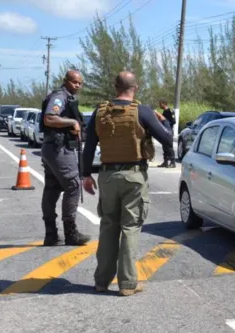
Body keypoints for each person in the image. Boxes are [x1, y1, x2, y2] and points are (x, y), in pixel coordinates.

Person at [81, 71, 173, 296]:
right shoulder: (142, 111)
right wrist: (164, 120)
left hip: (107, 176)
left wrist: (85, 174)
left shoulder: (100, 112)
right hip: (133, 176)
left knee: (108, 227)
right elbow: (168, 139)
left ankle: (101, 281)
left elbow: (89, 146)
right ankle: (127, 284)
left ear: (115, 87)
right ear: (136, 87)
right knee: (130, 227)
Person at [39, 69, 91, 246]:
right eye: (75, 82)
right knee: (73, 185)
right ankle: (71, 233)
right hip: (58, 148)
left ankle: (51, 234)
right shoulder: (60, 97)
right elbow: (49, 118)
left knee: (52, 188)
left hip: (55, 148)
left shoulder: (67, 97)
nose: (78, 85)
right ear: (66, 81)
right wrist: (72, 122)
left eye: (80, 83)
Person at [157, 99, 176, 168]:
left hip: (169, 130)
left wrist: (166, 122)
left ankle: (173, 162)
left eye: (160, 104)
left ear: (163, 104)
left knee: (169, 147)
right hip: (164, 131)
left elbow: (174, 121)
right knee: (164, 146)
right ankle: (165, 162)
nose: (159, 105)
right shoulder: (164, 112)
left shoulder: (170, 111)